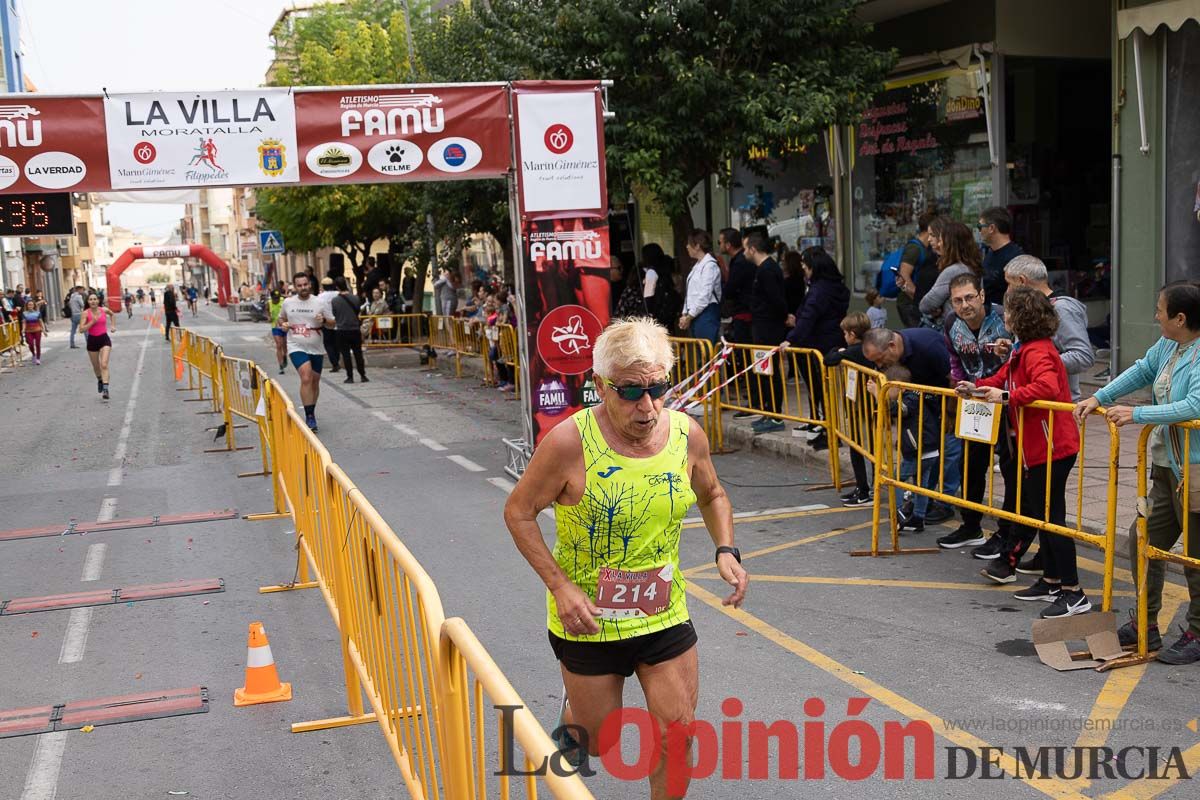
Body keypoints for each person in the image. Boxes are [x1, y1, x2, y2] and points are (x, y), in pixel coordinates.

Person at [502, 317, 748, 798]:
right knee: (598, 741)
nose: (649, 406)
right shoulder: (569, 443)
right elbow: (519, 512)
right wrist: (561, 587)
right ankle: (574, 719)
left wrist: (726, 549)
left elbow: (713, 493)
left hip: (662, 611)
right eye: (631, 391)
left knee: (677, 733)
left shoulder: (685, 435)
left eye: (659, 388)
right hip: (588, 619)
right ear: (600, 385)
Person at [1078, 281, 1200, 663]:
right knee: (1143, 541)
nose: (1155, 316)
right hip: (1166, 470)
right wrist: (1100, 396)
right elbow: (1142, 370)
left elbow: (1195, 404)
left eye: (1160, 311)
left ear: (1180, 318)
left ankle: (1198, 631)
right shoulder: (1169, 345)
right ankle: (1146, 623)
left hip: (1195, 474)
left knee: (1196, 559)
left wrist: (1137, 414)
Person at [960, 287, 1087, 618]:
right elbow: (1003, 379)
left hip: (1052, 447)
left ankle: (1074, 591)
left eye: (1007, 311)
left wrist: (1004, 398)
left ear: (1020, 317)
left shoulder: (1038, 352)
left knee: (1053, 519)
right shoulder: (1023, 350)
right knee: (1043, 517)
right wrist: (977, 387)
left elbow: (1044, 387)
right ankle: (1051, 579)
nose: (1003, 316)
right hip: (1038, 447)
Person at [937, 273, 1016, 553]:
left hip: (1006, 404)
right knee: (969, 466)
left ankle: (1006, 534)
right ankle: (970, 526)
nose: (964, 305)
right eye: (957, 300)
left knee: (1009, 469)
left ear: (982, 295)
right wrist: (959, 383)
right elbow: (954, 357)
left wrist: (1008, 354)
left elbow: (1020, 358)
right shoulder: (950, 324)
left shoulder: (1005, 319)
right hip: (973, 403)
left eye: (970, 297)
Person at [862, 326, 959, 529]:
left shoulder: (928, 346)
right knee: (923, 482)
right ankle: (919, 513)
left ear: (891, 345)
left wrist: (951, 413)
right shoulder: (900, 369)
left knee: (946, 454)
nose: (879, 366)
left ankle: (940, 504)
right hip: (925, 423)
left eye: (880, 360)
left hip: (944, 405)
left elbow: (952, 377)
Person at [1001, 255, 1094, 403]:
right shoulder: (1030, 307)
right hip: (1030, 402)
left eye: (1009, 283)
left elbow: (1083, 356)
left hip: (1056, 407)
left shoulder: (1063, 309)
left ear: (1022, 281)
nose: (1007, 290)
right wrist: (1012, 350)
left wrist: (1037, 363)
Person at [782, 246, 850, 446]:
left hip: (818, 344)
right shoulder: (834, 287)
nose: (803, 269)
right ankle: (818, 421)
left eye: (805, 265)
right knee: (823, 388)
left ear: (814, 267)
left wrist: (792, 339)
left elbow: (809, 316)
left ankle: (825, 425)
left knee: (821, 387)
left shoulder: (819, 290)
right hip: (830, 341)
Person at [739, 231, 789, 433]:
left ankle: (775, 415)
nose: (744, 252)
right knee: (764, 372)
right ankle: (769, 412)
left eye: (745, 248)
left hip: (769, 329)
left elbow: (776, 299)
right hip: (763, 327)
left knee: (770, 372)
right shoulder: (764, 269)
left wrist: (784, 316)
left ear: (753, 248)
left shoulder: (767, 270)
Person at [824, 312, 875, 507]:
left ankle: (865, 490)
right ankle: (862, 487)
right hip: (858, 405)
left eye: (845, 333)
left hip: (862, 406)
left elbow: (829, 359)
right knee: (858, 447)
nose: (843, 336)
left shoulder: (855, 350)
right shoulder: (863, 348)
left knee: (862, 448)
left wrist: (839, 350)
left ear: (852, 334)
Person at [277, 274, 327, 432]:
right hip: (296, 344)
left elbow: (332, 323)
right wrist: (284, 325)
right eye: (299, 285)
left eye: (305, 284)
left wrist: (324, 320)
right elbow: (281, 319)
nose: (303, 288)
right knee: (306, 376)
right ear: (294, 287)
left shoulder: (320, 302)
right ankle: (309, 416)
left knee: (315, 382)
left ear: (310, 285)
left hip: (316, 346)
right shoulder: (288, 302)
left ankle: (311, 410)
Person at [919, 220, 982, 325]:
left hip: (952, 328)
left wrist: (940, 309)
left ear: (950, 244)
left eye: (941, 240)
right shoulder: (973, 266)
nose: (939, 244)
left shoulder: (953, 271)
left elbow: (925, 305)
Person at [678, 229, 722, 344]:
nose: (687, 246)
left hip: (706, 314)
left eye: (689, 244)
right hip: (695, 314)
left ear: (697, 246)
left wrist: (689, 316)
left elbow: (704, 295)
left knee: (707, 354)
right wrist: (685, 314)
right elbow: (691, 294)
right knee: (701, 353)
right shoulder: (698, 265)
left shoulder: (709, 265)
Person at [894, 212, 937, 329]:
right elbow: (904, 275)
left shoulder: (927, 248)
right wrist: (917, 296)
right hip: (910, 303)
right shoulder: (914, 248)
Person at [978, 206, 1022, 307]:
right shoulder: (990, 253)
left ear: (991, 228)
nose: (979, 231)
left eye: (980, 226)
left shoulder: (1015, 257)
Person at [720, 228, 755, 347]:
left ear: (728, 245)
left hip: (744, 313)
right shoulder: (738, 261)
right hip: (745, 312)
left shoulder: (740, 262)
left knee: (743, 350)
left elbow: (731, 289)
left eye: (720, 242)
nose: (719, 246)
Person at [331, 278, 368, 384]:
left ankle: (350, 377)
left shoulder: (335, 301)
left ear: (337, 287)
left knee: (346, 354)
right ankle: (363, 375)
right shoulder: (355, 298)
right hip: (355, 329)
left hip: (342, 330)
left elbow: (334, 314)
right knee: (358, 353)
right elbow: (358, 310)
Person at [79, 292, 115, 400]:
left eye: (95, 299)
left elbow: (112, 314)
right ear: (88, 302)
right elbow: (81, 330)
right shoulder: (85, 313)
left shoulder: (104, 310)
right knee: (96, 367)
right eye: (91, 299)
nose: (93, 301)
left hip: (104, 339)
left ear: (98, 301)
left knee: (104, 364)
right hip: (92, 341)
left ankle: (105, 389)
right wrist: (92, 322)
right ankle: (100, 379)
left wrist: (113, 326)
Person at [316, 276, 342, 373]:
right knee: (337, 344)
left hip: (326, 322)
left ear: (323, 286)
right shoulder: (338, 294)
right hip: (339, 322)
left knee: (328, 344)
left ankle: (335, 363)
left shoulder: (320, 296)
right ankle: (336, 361)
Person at [19, 299, 47, 365]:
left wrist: (44, 330)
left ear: (34, 305)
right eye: (29, 305)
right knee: (30, 344)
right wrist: (23, 329)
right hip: (28, 331)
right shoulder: (24, 313)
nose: (30, 306)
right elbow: (24, 322)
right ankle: (33, 354)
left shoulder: (38, 313)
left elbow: (41, 322)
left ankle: (38, 358)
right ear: (27, 306)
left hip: (37, 330)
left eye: (31, 305)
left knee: (37, 344)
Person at [268, 289, 287, 374]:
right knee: (279, 345)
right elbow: (267, 312)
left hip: (284, 325)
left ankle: (285, 355)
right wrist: (269, 317)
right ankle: (281, 366)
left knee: (284, 344)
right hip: (275, 326)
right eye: (275, 298)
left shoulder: (284, 301)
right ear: (271, 298)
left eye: (278, 298)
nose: (277, 300)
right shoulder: (268, 303)